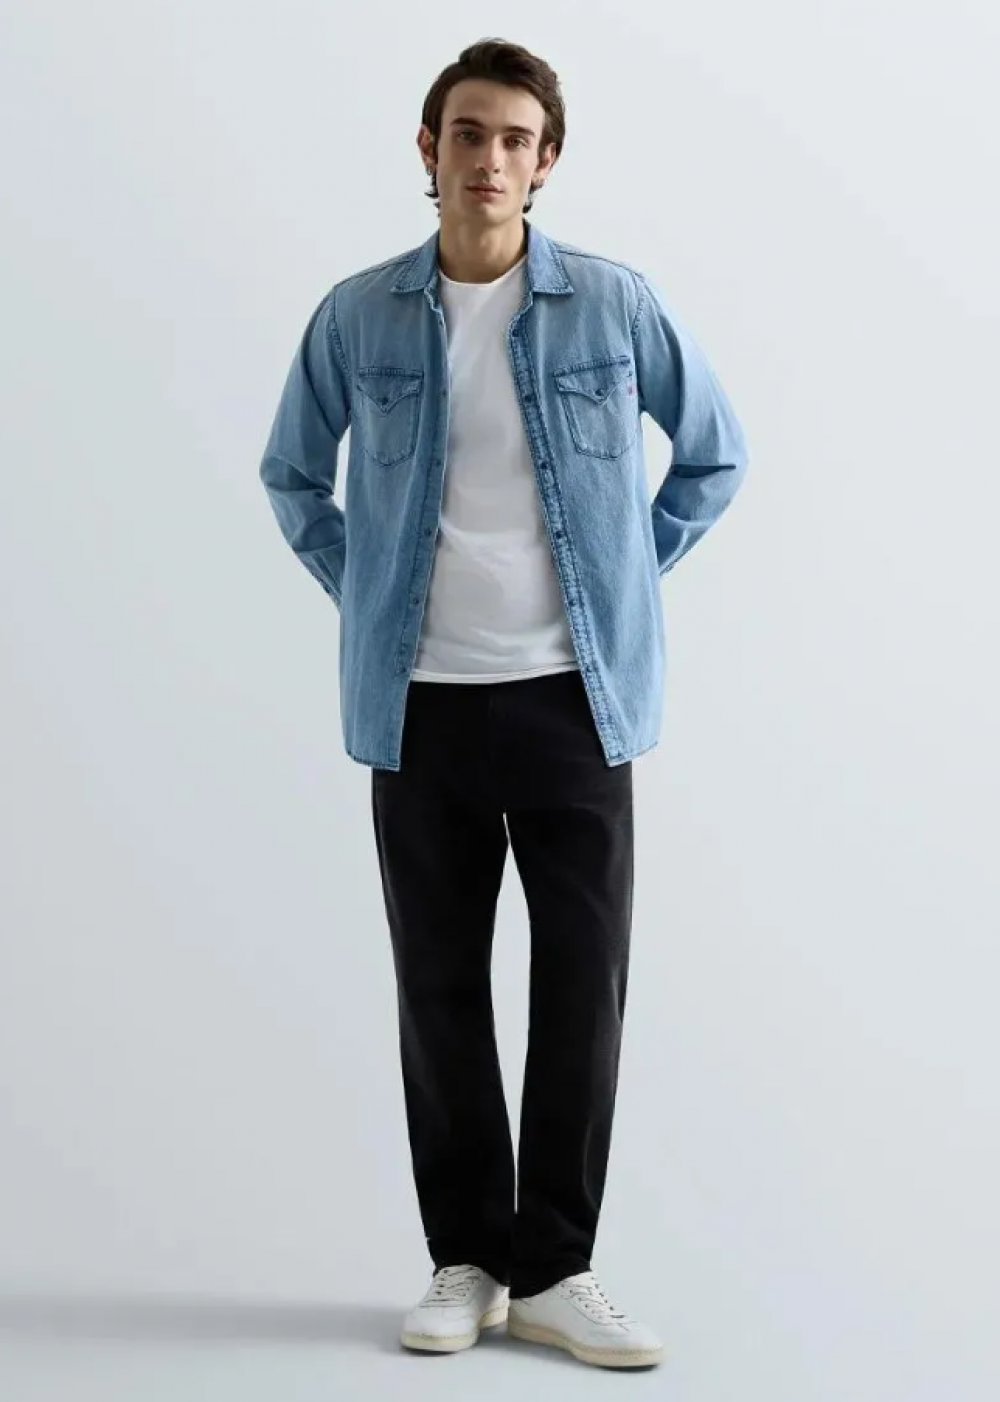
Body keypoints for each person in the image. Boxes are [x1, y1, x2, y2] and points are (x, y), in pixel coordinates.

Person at [259, 37, 748, 1371]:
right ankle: (467, 1259)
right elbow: (292, 475)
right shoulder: (360, 316)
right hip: (420, 708)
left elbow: (714, 455)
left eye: (516, 138)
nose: (490, 157)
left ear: (547, 161)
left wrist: (621, 585)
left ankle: (557, 1269)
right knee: (440, 987)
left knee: (582, 988)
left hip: (576, 705)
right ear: (429, 150)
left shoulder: (613, 305)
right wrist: (369, 592)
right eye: (468, 133)